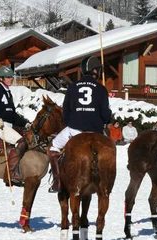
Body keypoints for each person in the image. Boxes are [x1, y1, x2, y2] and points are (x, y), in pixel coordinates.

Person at [48, 56, 112, 193]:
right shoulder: (101, 89)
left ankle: (57, 181)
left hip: (75, 130)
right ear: (95, 70)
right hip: (96, 132)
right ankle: (107, 181)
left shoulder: (72, 87)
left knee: (53, 147)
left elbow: (66, 112)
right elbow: (106, 116)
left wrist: (71, 122)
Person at [0, 66, 30, 187]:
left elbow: (12, 115)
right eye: (8, 77)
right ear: (1, 78)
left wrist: (26, 123)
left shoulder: (8, 92)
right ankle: (11, 174)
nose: (11, 79)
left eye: (11, 77)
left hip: (7, 125)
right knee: (21, 142)